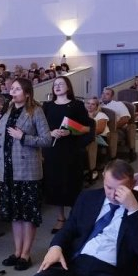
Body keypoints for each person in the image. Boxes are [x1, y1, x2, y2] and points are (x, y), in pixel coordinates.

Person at [0, 77, 53, 270]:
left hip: (27, 171)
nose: (12, 92)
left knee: (27, 215)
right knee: (15, 215)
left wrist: (23, 137)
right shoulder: (7, 111)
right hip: (7, 171)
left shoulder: (36, 111)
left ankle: (26, 254)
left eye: (17, 89)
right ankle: (17, 251)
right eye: (12, 89)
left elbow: (47, 140)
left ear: (27, 93)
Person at [42, 76, 90, 231]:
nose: (57, 87)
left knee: (71, 182)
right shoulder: (47, 106)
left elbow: (86, 128)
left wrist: (70, 132)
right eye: (55, 85)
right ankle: (60, 217)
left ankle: (74, 217)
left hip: (71, 149)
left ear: (68, 87)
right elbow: (40, 128)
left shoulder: (77, 105)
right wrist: (51, 132)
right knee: (55, 184)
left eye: (61, 84)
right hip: (52, 150)